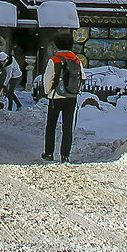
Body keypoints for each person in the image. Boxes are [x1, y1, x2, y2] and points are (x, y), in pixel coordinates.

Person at [41, 34, 81, 163]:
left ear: (57, 45)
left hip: (56, 96)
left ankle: (49, 153)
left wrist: (48, 92)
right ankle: (65, 155)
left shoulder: (55, 60)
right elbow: (83, 77)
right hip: (71, 96)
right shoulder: (77, 59)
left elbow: (48, 78)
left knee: (51, 125)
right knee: (67, 126)